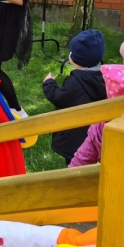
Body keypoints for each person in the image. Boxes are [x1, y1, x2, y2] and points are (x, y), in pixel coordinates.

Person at [42, 30, 107, 166]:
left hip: (74, 137)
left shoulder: (75, 81)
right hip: (97, 134)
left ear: (74, 58)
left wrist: (49, 83)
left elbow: (58, 97)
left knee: (74, 165)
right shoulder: (107, 77)